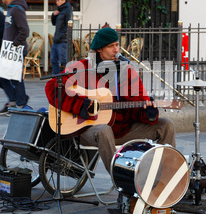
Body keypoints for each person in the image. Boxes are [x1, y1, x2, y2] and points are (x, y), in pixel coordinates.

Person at [45, 27, 176, 171]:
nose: (116, 49)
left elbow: (138, 100)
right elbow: (52, 87)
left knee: (166, 125)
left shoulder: (127, 70)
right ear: (99, 49)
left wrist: (148, 112)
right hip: (89, 130)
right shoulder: (83, 67)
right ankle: (120, 179)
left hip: (123, 130)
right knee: (104, 130)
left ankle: (167, 175)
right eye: (110, 46)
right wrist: (80, 105)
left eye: (117, 45)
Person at [0, 0, 31, 114]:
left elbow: (24, 30)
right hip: (9, 49)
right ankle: (14, 102)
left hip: (16, 50)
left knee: (15, 78)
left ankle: (21, 105)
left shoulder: (16, 10)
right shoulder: (11, 10)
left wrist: (15, 44)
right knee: (5, 76)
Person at [50, 0, 73, 74]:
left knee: (63, 60)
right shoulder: (60, 10)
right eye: (56, 0)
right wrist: (53, 15)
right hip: (56, 39)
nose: (56, 2)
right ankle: (55, 78)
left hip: (63, 40)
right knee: (53, 60)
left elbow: (69, 25)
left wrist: (60, 36)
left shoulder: (67, 10)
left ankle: (67, 78)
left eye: (58, 0)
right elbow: (54, 23)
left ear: (64, 0)